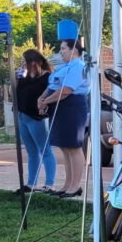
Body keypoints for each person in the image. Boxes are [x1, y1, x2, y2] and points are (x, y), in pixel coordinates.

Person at [37, 38, 88, 198]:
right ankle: (67, 184)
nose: (60, 52)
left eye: (63, 48)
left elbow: (66, 90)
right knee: (65, 148)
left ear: (74, 50)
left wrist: (46, 101)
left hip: (72, 107)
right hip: (58, 106)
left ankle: (75, 186)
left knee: (74, 147)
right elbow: (52, 86)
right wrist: (42, 98)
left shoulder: (78, 66)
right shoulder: (63, 67)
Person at [15, 49, 57, 194]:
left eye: (24, 61)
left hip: (36, 118)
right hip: (22, 116)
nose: (22, 64)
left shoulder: (47, 77)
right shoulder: (24, 77)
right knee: (31, 152)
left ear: (33, 62)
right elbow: (14, 93)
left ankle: (50, 183)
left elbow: (51, 93)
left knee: (45, 150)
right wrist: (17, 77)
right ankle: (31, 183)